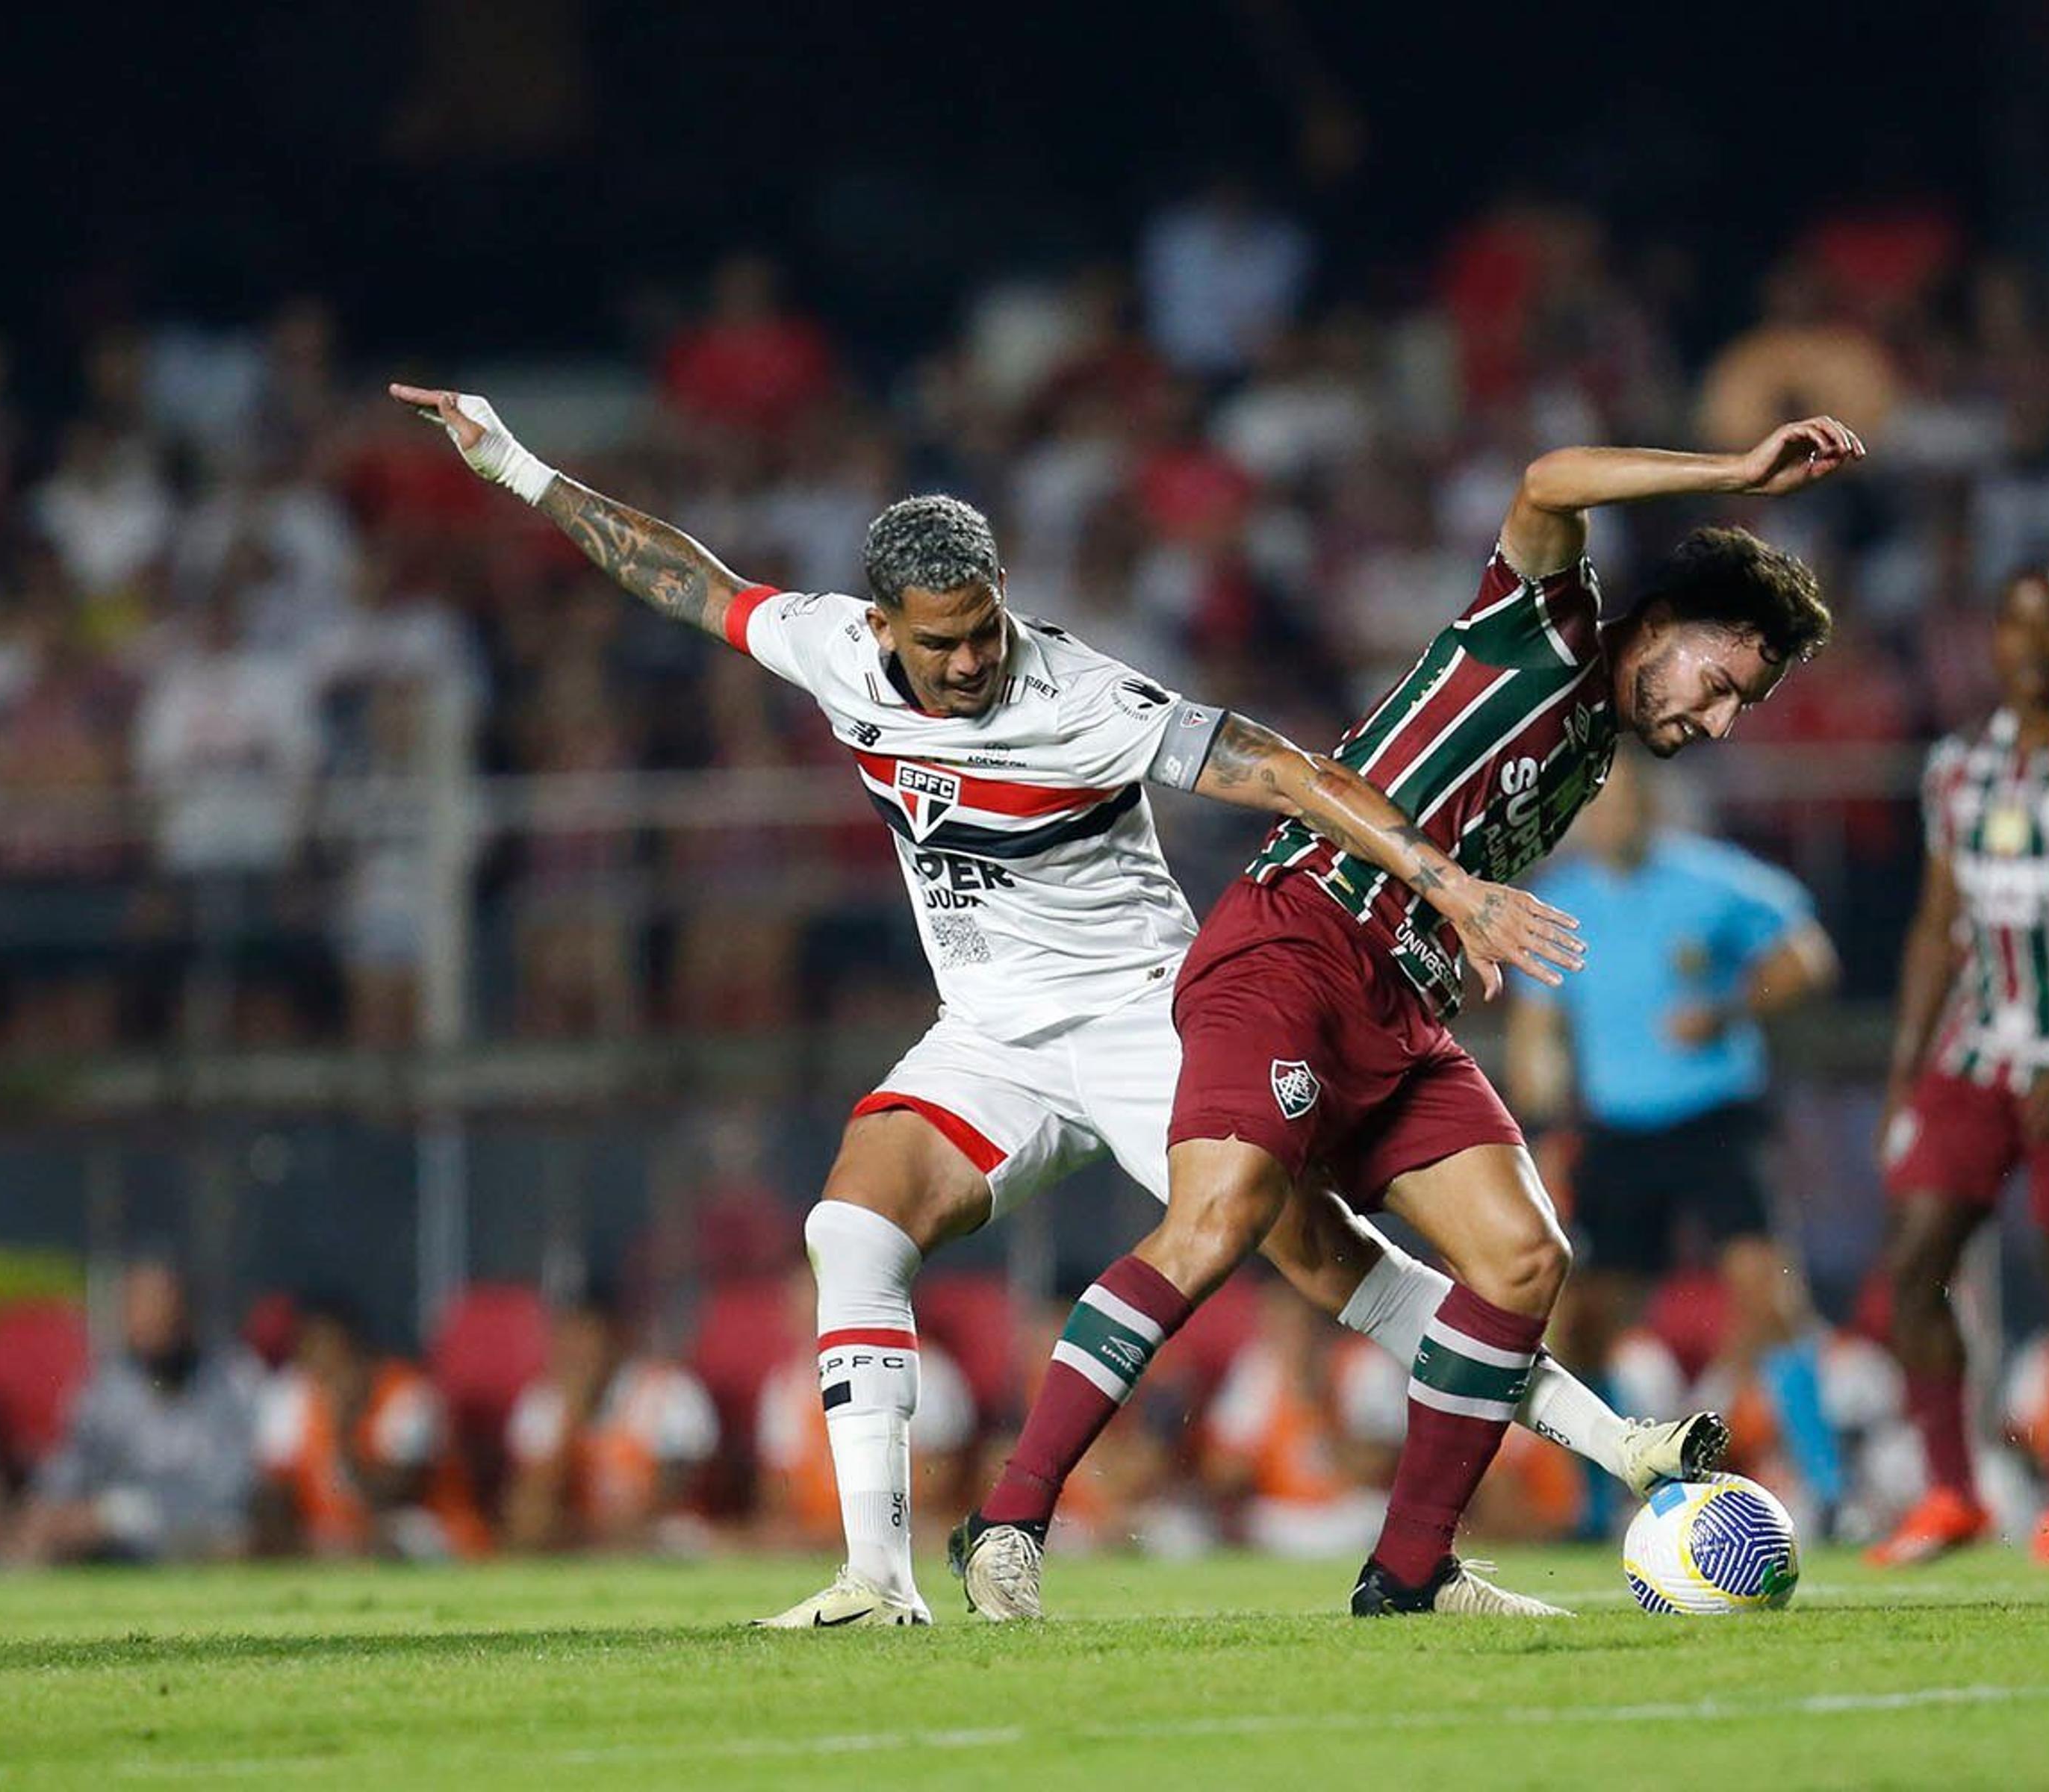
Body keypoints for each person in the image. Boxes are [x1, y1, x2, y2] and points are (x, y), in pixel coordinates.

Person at [394, 384, 1718, 1628]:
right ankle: (877, 1579)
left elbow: (1279, 767)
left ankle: (1614, 1440)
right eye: (941, 641)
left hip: (1148, 1014)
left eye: (984, 628)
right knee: (850, 1229)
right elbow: (677, 575)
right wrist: (515, 464)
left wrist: (1441, 878)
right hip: (990, 1036)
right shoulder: (830, 652)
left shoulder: (1077, 695)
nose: (970, 660)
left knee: (1330, 1267)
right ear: (880, 626)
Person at [955, 417, 1859, 1621]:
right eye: (1724, 685)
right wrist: (1736, 475)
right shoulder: (1544, 631)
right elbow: (1545, 480)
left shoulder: (1596, 742)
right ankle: (1008, 1520)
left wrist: (1457, 933)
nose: (1719, 723)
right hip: (1293, 942)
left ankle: (1411, 1574)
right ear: (1680, 620)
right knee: (1215, 1221)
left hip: (1400, 1003)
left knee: (1526, 1256)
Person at [1872, 567, 2049, 1575]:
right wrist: (1906, 1075)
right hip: (1972, 1051)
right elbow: (1932, 925)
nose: (2035, 647)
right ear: (1993, 640)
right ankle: (1954, 1493)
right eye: (2019, 626)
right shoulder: (1959, 767)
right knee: (1914, 1262)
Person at [1507, 753, 1842, 1531]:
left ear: (1653, 807)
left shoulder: (1717, 882)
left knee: (1769, 1294)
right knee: (1587, 1319)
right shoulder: (1560, 904)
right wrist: (1544, 1123)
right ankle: (1600, 1504)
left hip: (1716, 1116)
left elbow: (1807, 958)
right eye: (1601, 805)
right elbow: (1538, 1030)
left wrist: (1729, 1008)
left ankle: (1831, 1493)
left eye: (1627, 802)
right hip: (1616, 1131)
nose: (1613, 818)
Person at [10, 1260, 263, 1564]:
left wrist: (126, 1513)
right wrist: (50, 1510)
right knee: (42, 1530)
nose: (154, 1318)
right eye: (142, 1307)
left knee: (238, 1539)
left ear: (185, 1311)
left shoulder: (231, 1379)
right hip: (113, 1538)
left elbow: (235, 1490)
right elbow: (71, 1468)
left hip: (205, 1531)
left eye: (163, 1305)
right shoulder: (105, 1388)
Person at [254, 1296, 488, 1560]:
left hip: (426, 1531)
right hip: (330, 1541)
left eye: (333, 1354)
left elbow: (393, 1496)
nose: (325, 1369)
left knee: (385, 1544)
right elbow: (274, 1494)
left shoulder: (407, 1395)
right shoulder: (293, 1399)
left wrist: (343, 1435)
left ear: (357, 1351)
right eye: (312, 1355)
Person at [501, 1292, 720, 1554]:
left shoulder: (668, 1390)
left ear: (616, 1341)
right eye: (567, 1341)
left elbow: (674, 1493)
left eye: (586, 1339)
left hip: (651, 1533)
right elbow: (531, 1499)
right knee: (529, 1526)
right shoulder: (545, 1399)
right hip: (580, 1533)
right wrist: (569, 1418)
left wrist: (606, 1536)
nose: (577, 1354)